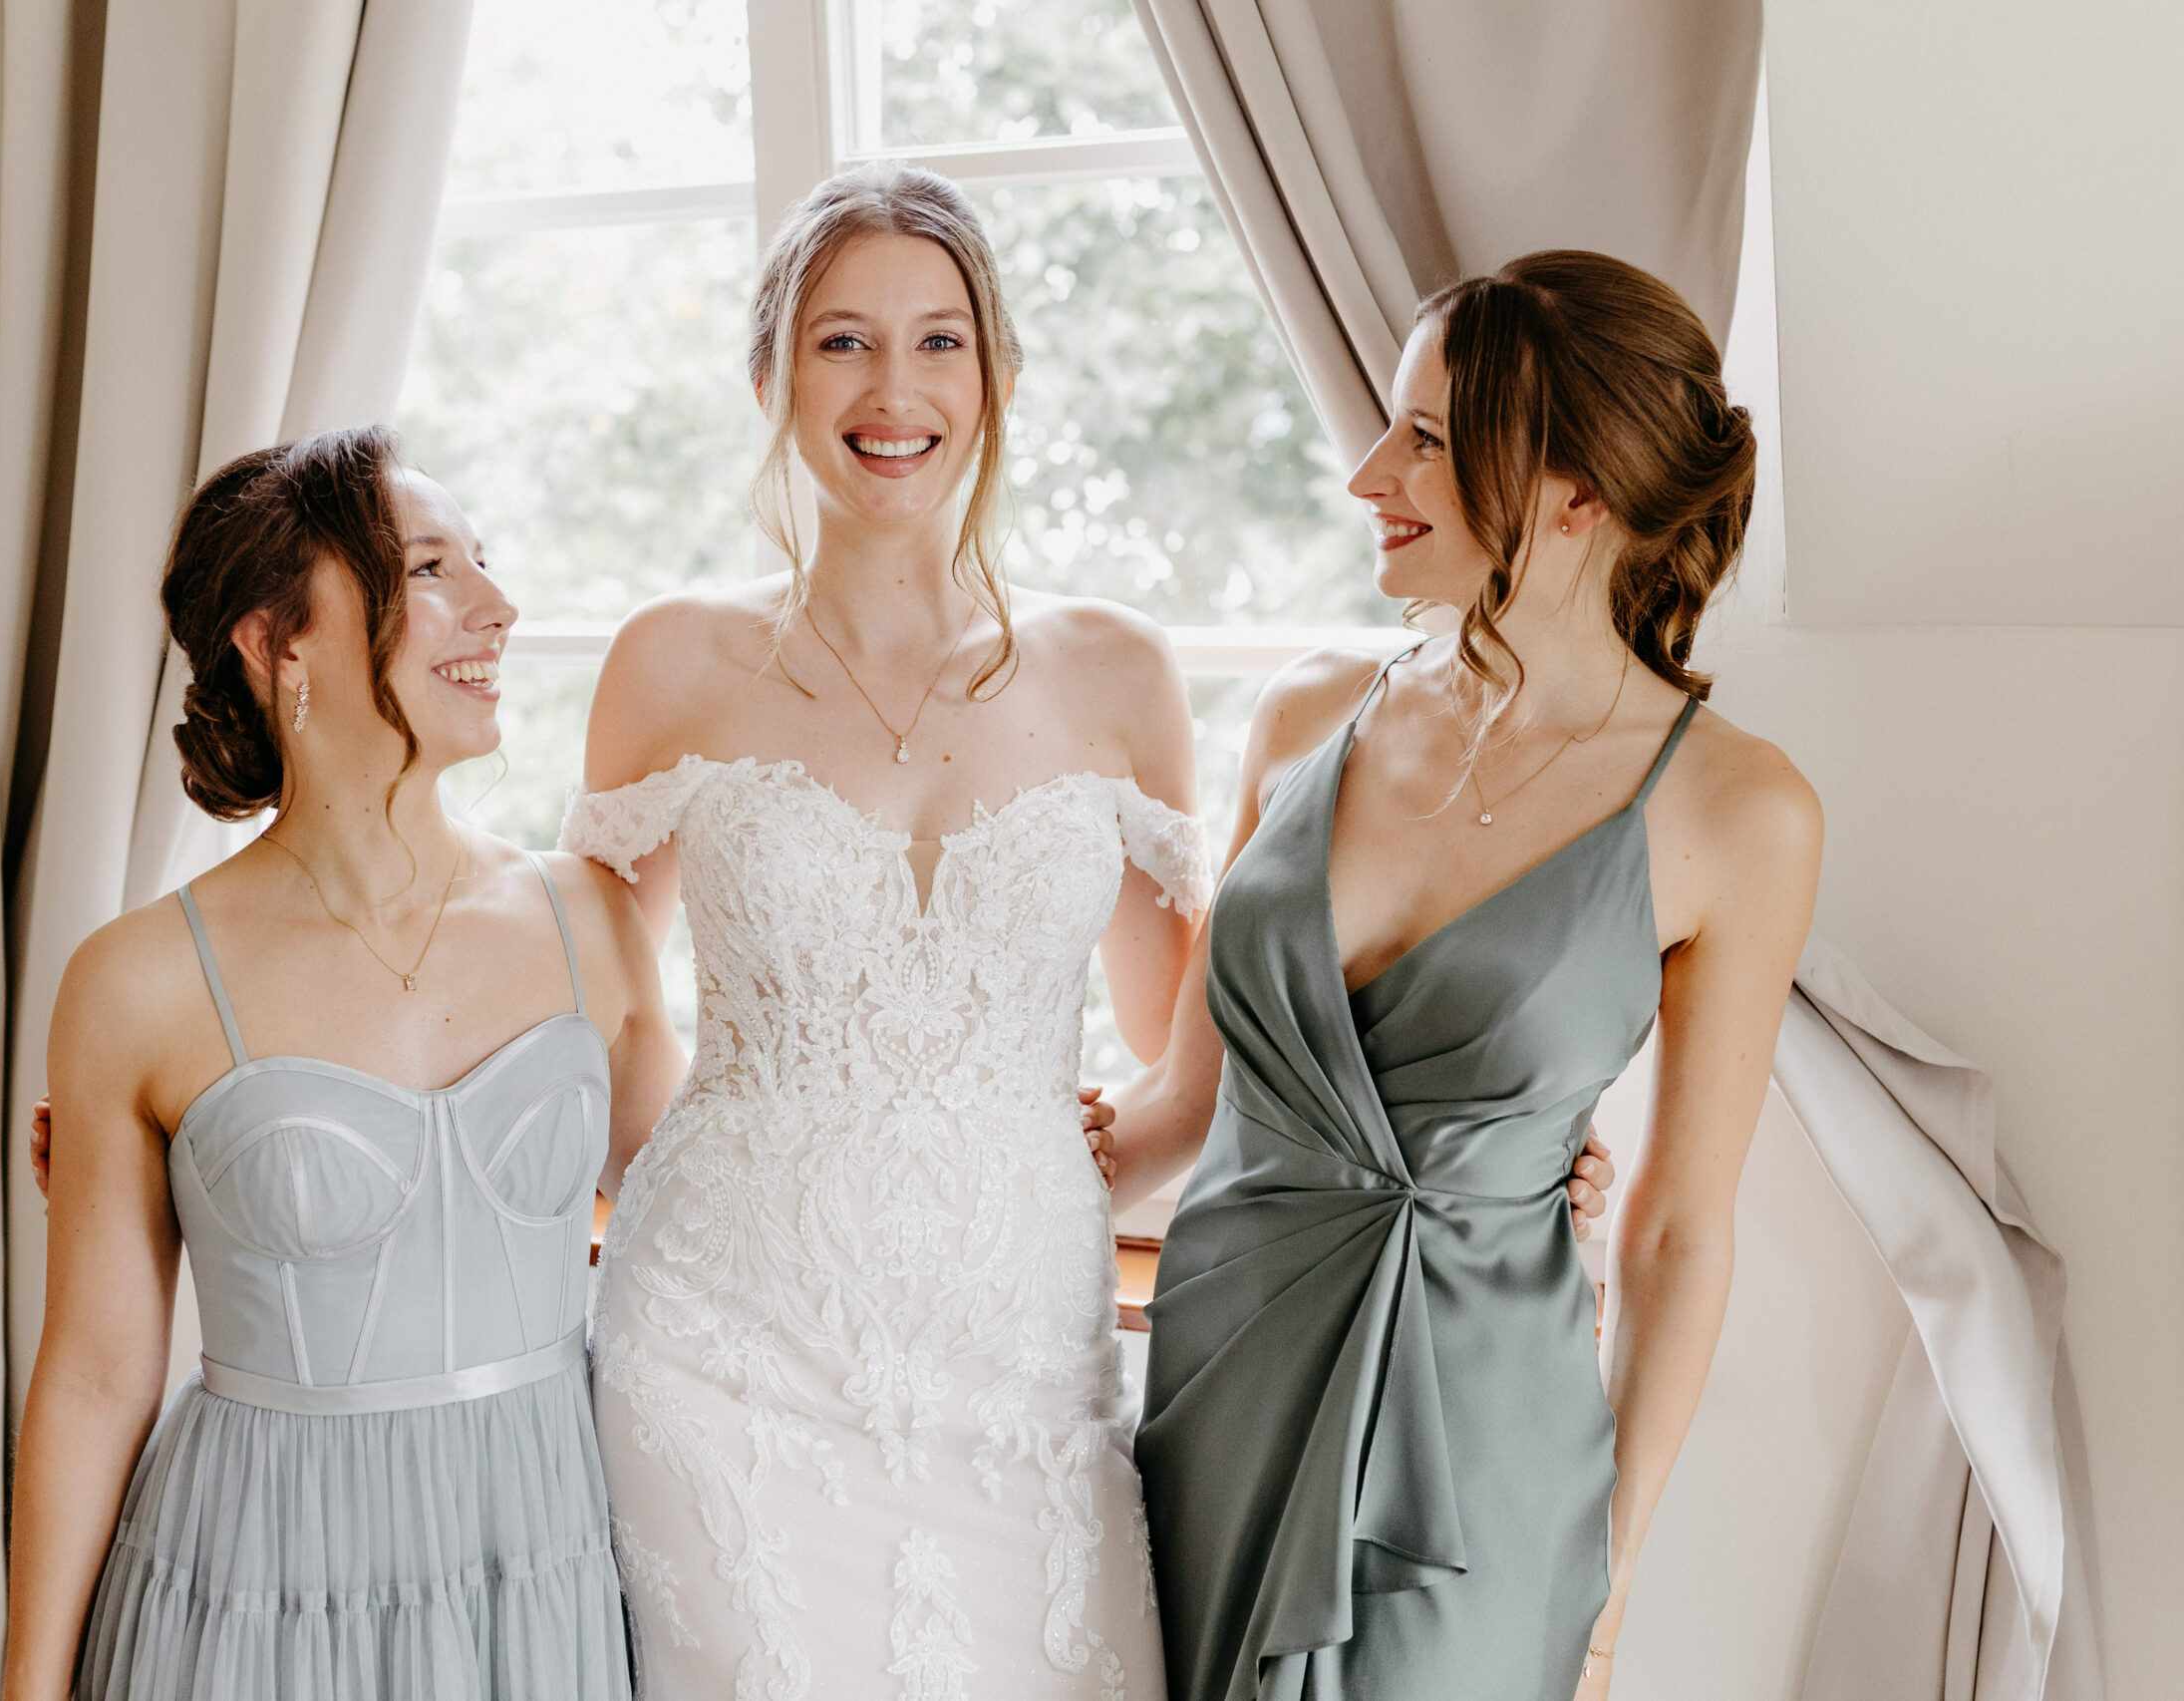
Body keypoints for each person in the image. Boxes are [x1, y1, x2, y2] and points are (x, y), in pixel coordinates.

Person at [551, 165, 1623, 1699]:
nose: (893, 388)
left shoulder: (1115, 672)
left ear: (994, 374)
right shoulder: (673, 660)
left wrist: (1484, 1141)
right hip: (719, 1338)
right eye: (843, 340)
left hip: (1017, 1360)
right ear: (776, 370)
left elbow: (1211, 1060)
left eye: (939, 340)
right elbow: (588, 1003)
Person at [1104, 250, 1821, 1701]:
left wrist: (1605, 1588)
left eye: (1425, 438)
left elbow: (1681, 1234)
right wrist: (943, 1183)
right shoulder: (1304, 714)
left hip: (1480, 1465)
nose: (1370, 472)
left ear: (1577, 492)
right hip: (1214, 1386)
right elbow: (1184, 1101)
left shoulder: (1739, 813)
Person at [3, 426, 680, 1701]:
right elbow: (94, 1374)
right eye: (432, 569)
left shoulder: (588, 917)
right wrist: (27, 1688)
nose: (497, 605)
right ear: (276, 642)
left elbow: (706, 1230)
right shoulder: (136, 981)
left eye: (483, 560)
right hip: (258, 1576)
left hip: (536, 1566)